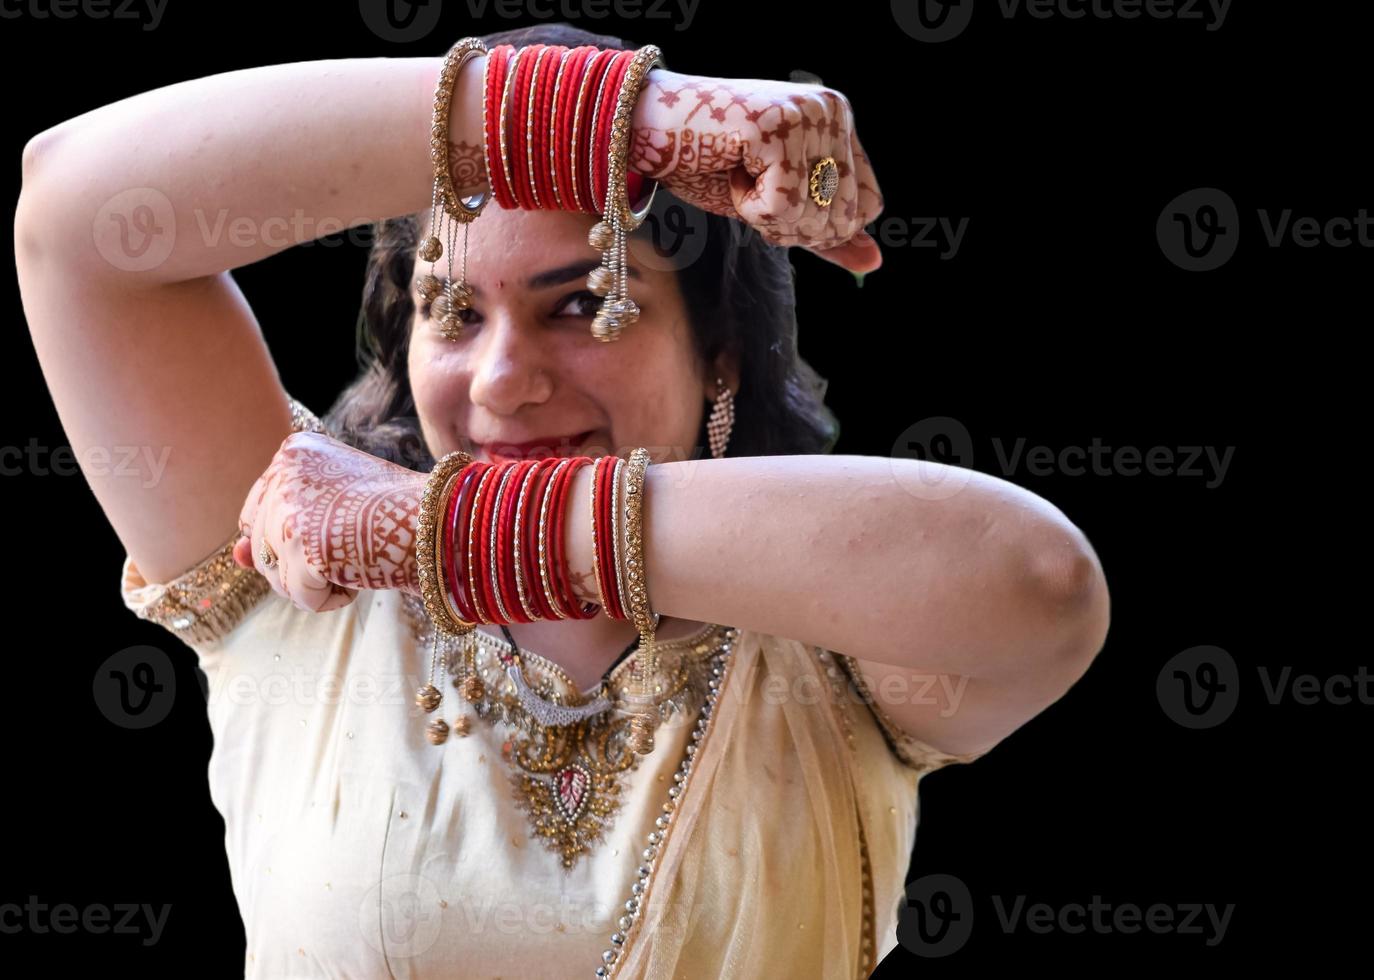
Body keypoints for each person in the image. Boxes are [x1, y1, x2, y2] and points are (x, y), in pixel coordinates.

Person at [15, 21, 1110, 979]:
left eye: (586, 303)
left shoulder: (833, 648)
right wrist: (634, 118)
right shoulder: (294, 576)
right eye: (451, 309)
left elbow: (1041, 582)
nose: (500, 379)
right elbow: (74, 212)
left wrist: (433, 532)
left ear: (720, 354)